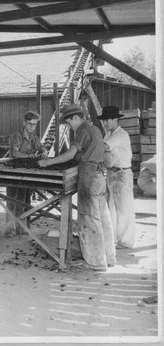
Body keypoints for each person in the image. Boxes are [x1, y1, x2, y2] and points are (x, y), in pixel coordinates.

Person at [38, 104, 116, 271]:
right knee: (103, 217)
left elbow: (71, 154)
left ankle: (95, 263)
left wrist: (48, 162)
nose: (69, 126)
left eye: (68, 122)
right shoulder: (95, 129)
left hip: (90, 175)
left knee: (89, 218)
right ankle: (109, 258)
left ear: (75, 118)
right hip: (101, 174)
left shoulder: (82, 130)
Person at [5, 110, 49, 236]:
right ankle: (10, 229)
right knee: (11, 200)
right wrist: (30, 156)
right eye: (30, 124)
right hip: (13, 173)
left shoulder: (34, 137)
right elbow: (15, 153)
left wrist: (44, 150)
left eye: (34, 124)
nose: (32, 127)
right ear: (24, 123)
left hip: (25, 173)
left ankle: (21, 227)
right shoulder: (17, 136)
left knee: (23, 200)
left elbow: (41, 147)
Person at [98, 106, 135, 249]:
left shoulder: (121, 135)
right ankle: (113, 238)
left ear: (115, 119)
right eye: (104, 121)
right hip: (111, 172)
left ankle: (125, 241)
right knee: (111, 207)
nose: (105, 123)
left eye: (107, 120)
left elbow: (104, 147)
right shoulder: (108, 134)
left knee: (124, 208)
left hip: (122, 174)